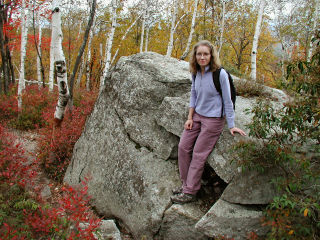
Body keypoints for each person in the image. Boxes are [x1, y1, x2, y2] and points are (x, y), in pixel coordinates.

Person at [171, 40, 246, 204]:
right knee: (183, 147)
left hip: (214, 120)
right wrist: (190, 117)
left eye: (206, 54)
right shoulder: (196, 71)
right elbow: (194, 94)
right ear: (195, 56)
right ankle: (186, 185)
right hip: (197, 116)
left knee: (198, 154)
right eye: (199, 54)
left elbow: (228, 100)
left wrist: (231, 124)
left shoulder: (220, 74)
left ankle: (190, 192)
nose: (202, 57)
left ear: (211, 56)